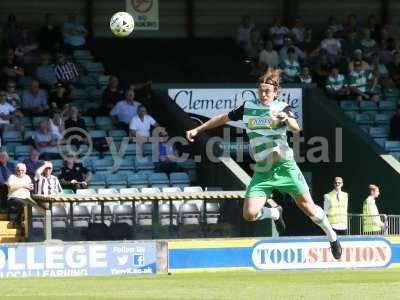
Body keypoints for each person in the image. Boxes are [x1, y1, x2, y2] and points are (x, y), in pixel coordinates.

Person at [186, 68, 342, 259]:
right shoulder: (248, 107)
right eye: (261, 90)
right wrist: (198, 129)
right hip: (263, 170)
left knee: (310, 209)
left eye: (267, 90)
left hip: (285, 167)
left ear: (275, 92)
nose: (263, 93)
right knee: (249, 214)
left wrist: (287, 119)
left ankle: (332, 237)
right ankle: (275, 213)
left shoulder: (283, 107)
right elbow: (223, 118)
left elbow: (295, 128)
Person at [6, 163, 34, 227]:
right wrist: (23, 185)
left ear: (25, 171)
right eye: (18, 170)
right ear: (16, 170)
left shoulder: (27, 177)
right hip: (13, 198)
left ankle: (19, 223)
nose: (20, 172)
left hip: (26, 199)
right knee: (25, 205)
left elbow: (30, 187)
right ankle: (19, 223)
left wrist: (31, 187)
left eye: (22, 170)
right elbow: (11, 188)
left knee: (31, 205)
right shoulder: (12, 177)